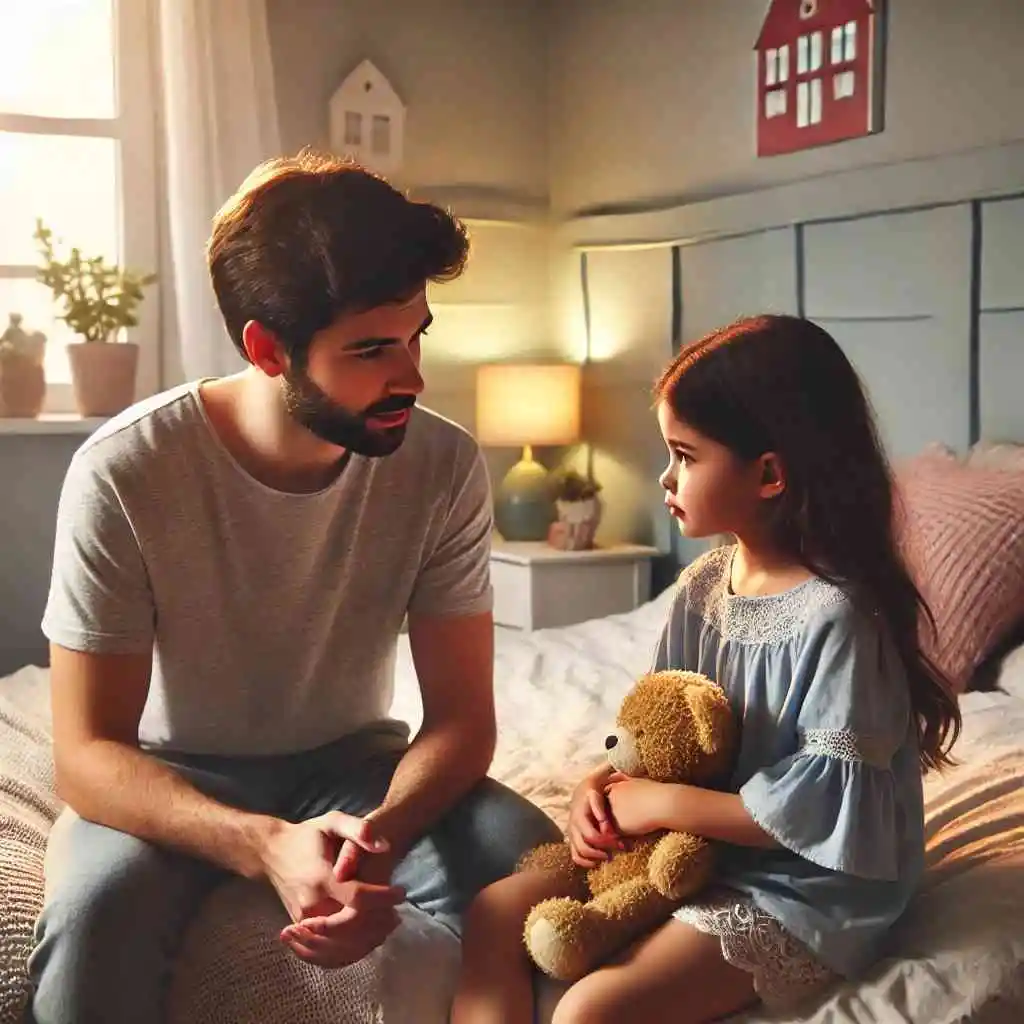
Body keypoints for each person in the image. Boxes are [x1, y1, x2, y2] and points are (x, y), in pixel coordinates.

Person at [26, 150, 561, 1024]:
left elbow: (464, 720)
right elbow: (88, 756)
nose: (413, 376)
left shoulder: (443, 464)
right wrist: (265, 846)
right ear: (267, 350)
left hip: (359, 769)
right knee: (90, 926)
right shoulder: (126, 471)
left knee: (546, 878)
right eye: (372, 349)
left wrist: (375, 842)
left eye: (418, 334)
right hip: (173, 774)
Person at [450, 314, 961, 1024]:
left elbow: (821, 813)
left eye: (685, 456)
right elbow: (663, 729)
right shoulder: (702, 586)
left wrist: (660, 805)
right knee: (492, 914)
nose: (665, 477)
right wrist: (599, 789)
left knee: (588, 1012)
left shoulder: (841, 618)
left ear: (770, 473)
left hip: (797, 883)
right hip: (691, 842)